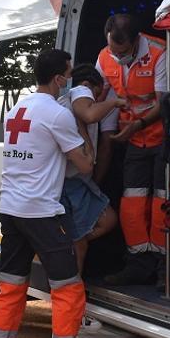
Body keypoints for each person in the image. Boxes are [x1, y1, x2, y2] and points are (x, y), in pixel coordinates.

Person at [0, 49, 103, 338]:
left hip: (12, 210)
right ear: (59, 79)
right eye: (69, 74)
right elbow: (86, 165)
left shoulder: (18, 108)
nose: (70, 80)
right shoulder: (58, 115)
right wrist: (82, 126)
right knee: (69, 290)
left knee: (11, 288)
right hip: (42, 213)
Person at [96, 13, 170, 288]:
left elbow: (164, 103)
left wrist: (137, 124)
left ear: (136, 40)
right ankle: (138, 265)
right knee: (131, 204)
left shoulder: (158, 51)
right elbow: (99, 98)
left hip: (162, 139)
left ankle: (166, 269)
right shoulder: (105, 56)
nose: (117, 57)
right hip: (131, 142)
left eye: (123, 52)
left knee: (162, 204)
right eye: (113, 50)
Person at [57, 63, 124, 274]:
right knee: (80, 245)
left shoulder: (66, 103)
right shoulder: (79, 91)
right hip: (71, 181)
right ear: (87, 85)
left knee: (105, 221)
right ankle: (72, 291)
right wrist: (114, 102)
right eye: (97, 93)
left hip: (76, 180)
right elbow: (90, 115)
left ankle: (68, 241)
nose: (97, 99)